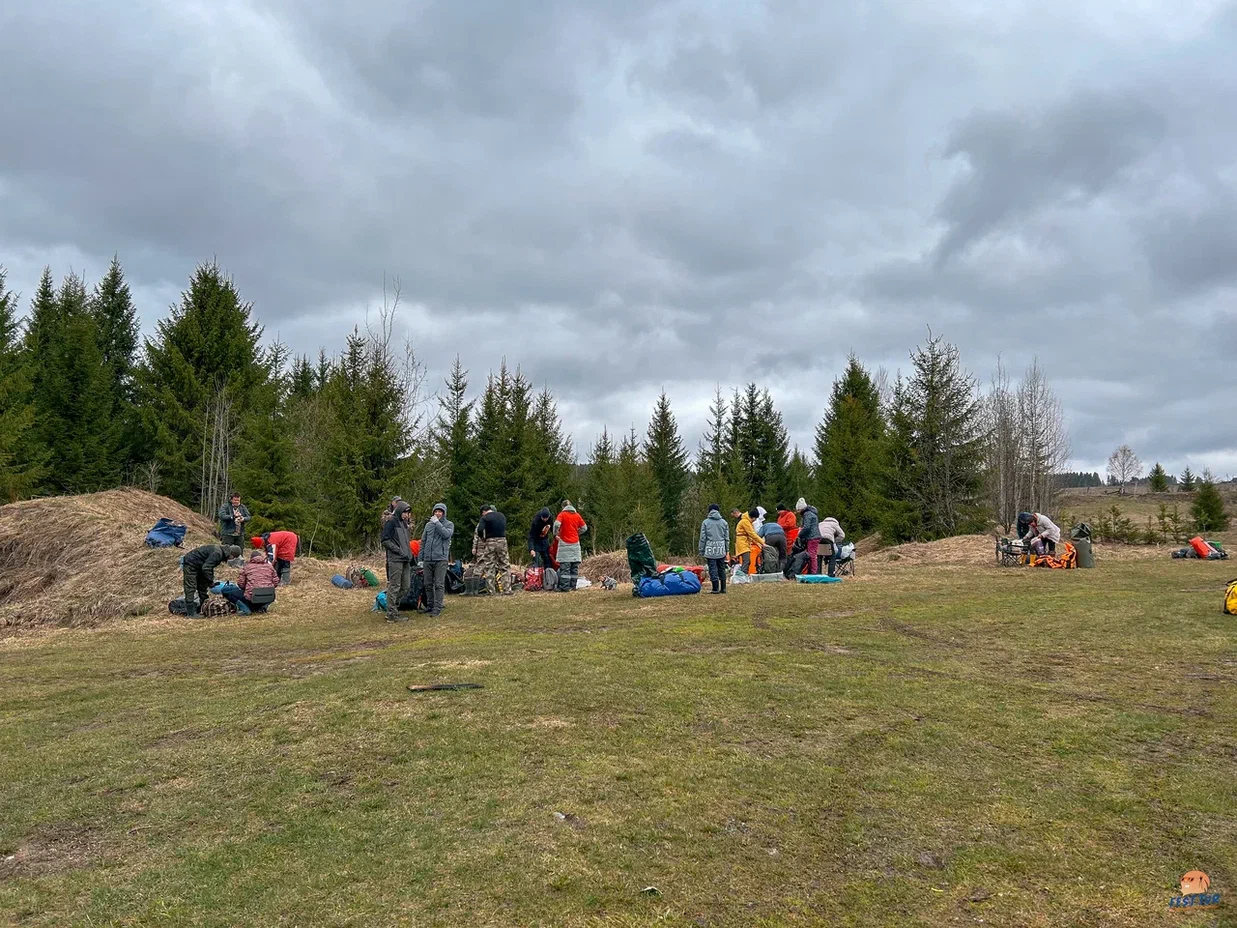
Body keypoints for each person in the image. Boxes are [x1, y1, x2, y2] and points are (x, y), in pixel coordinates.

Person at [182, 543, 240, 618]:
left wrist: (209, 581)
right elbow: (206, 568)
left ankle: (203, 609)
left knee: (202, 586)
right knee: (191, 587)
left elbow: (209, 567)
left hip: (200, 565)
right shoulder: (217, 553)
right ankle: (190, 613)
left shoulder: (220, 551)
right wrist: (210, 581)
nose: (232, 559)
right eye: (234, 557)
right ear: (231, 554)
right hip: (191, 564)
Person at [382, 501, 414, 623]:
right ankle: (391, 613)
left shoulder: (404, 524)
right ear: (400, 511)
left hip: (405, 559)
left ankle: (393, 608)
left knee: (406, 586)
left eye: (408, 512)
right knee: (394, 586)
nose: (407, 515)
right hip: (395, 559)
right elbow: (385, 540)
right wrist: (399, 551)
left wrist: (409, 554)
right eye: (405, 512)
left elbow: (406, 542)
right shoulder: (390, 522)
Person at [421, 503, 454, 617]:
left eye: (440, 511)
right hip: (428, 559)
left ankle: (438, 607)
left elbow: (446, 534)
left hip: (441, 559)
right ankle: (430, 605)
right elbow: (423, 541)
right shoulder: (428, 525)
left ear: (444, 513)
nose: (437, 513)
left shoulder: (449, 524)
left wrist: (437, 523)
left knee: (439, 584)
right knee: (427, 584)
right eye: (436, 511)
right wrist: (421, 558)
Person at [473, 504, 511, 595]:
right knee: (504, 565)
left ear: (483, 512)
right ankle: (507, 590)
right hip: (502, 541)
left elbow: (480, 530)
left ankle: (491, 591)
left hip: (490, 542)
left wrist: (483, 538)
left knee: (489, 565)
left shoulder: (485, 518)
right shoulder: (501, 515)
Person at [553, 500, 588, 592]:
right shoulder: (577, 515)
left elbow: (557, 524)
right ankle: (573, 586)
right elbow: (584, 528)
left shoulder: (562, 514)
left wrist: (556, 533)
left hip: (565, 543)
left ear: (563, 507)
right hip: (575, 544)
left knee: (565, 568)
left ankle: (564, 587)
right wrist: (576, 533)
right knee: (574, 567)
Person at [698, 504, 730, 594]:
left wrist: (701, 550)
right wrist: (727, 550)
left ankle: (715, 589)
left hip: (710, 549)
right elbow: (727, 538)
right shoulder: (724, 522)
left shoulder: (705, 522)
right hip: (721, 549)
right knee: (721, 568)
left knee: (713, 569)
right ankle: (723, 588)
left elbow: (703, 538)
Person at [796, 498, 822, 573]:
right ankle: (812, 571)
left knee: (812, 555)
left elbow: (806, 527)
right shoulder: (811, 513)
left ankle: (813, 572)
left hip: (812, 537)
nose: (798, 512)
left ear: (801, 509)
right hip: (814, 536)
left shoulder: (807, 514)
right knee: (812, 554)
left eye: (798, 510)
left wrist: (800, 534)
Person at [732, 507, 762, 575]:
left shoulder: (746, 521)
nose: (755, 520)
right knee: (746, 561)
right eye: (755, 518)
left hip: (744, 543)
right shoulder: (745, 522)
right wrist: (762, 543)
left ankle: (743, 575)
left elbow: (750, 536)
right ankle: (742, 575)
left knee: (746, 561)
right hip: (743, 543)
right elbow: (752, 534)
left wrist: (757, 543)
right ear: (753, 517)